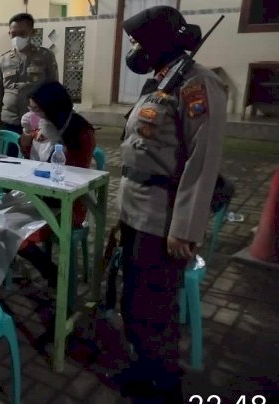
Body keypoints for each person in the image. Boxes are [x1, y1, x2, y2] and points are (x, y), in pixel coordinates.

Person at [116, 6, 226, 401]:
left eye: (137, 42)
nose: (133, 49)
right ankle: (142, 370)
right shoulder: (158, 83)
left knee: (156, 309)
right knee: (133, 300)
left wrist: (185, 227)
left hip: (163, 218)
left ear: (158, 43)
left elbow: (204, 159)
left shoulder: (197, 84)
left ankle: (163, 387)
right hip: (135, 209)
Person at [0, 82, 95, 286]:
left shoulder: (80, 132)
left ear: (53, 107)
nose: (34, 114)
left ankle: (49, 271)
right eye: (31, 109)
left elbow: (72, 173)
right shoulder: (44, 126)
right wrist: (27, 142)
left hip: (65, 203)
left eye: (37, 110)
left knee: (7, 228)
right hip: (37, 193)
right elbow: (33, 159)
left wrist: (57, 144)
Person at [0, 12, 59, 156]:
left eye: (22, 33)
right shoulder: (4, 59)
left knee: (31, 160)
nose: (17, 38)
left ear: (32, 32)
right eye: (13, 34)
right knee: (9, 160)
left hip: (35, 122)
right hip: (8, 121)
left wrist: (50, 120)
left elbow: (53, 89)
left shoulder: (45, 56)